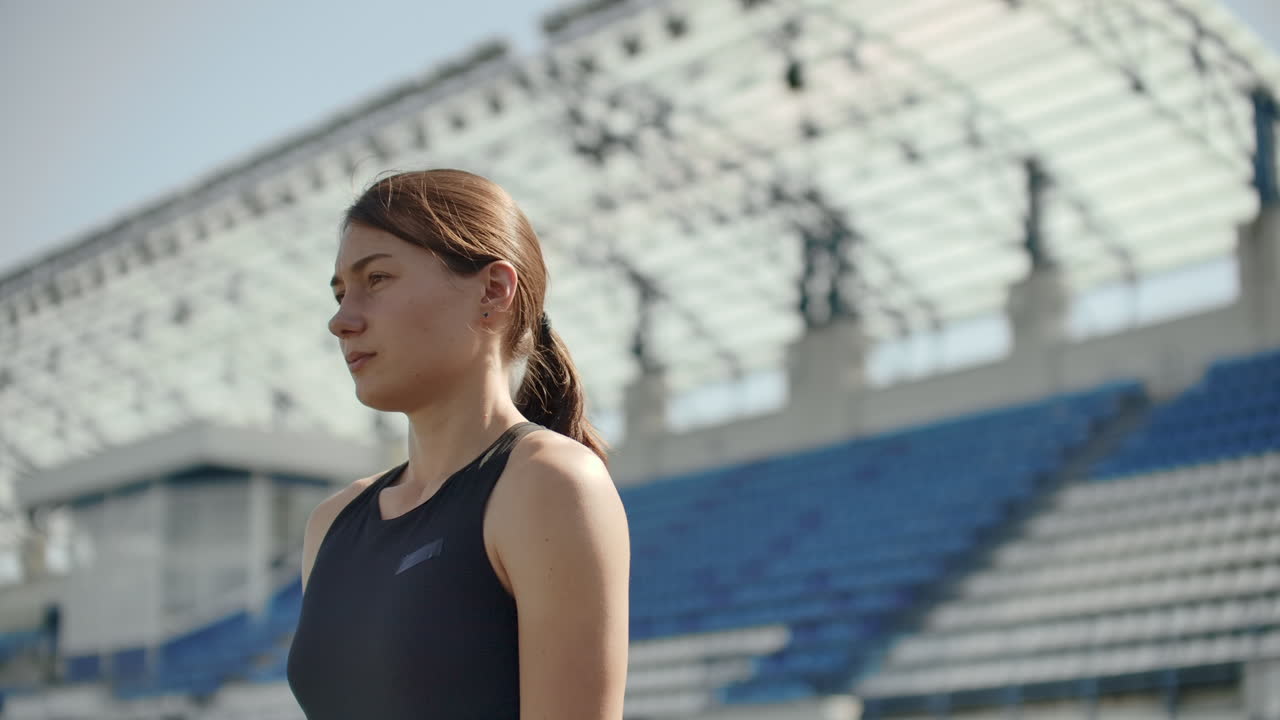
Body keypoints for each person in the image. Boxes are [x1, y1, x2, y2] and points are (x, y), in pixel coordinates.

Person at [286, 168, 630, 720]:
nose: (341, 320)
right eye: (340, 292)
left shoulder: (550, 483)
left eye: (376, 280)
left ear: (492, 290)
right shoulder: (331, 523)